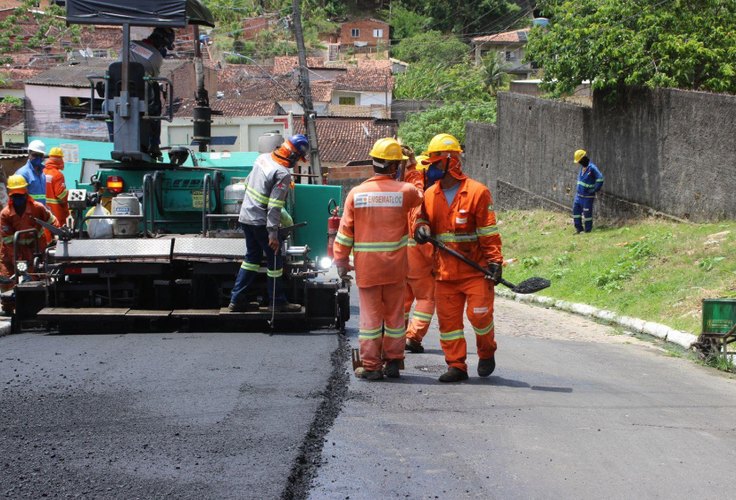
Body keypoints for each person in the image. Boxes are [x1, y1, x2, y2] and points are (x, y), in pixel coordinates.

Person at [413, 133, 503, 383]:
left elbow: (488, 232)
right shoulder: (430, 194)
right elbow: (421, 219)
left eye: (435, 162)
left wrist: (495, 262)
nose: (431, 167)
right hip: (444, 273)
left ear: (451, 161)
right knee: (449, 324)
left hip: (475, 271)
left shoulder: (477, 192)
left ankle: (486, 352)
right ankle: (456, 365)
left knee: (480, 316)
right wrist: (420, 229)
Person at [333, 137, 423, 381]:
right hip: (395, 269)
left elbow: (344, 234)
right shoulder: (406, 192)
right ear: (395, 166)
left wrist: (341, 264)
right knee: (394, 317)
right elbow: (421, 197)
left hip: (368, 269)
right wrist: (411, 165)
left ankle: (371, 366)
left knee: (371, 320)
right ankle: (393, 361)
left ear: (373, 162)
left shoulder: (356, 193)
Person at [228, 134, 310, 313]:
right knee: (275, 260)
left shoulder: (262, 158)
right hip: (260, 222)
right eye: (298, 160)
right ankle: (277, 301)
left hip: (246, 217)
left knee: (252, 258)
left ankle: (237, 299)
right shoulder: (282, 173)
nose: (296, 165)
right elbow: (274, 206)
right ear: (293, 156)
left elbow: (248, 183)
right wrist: (273, 234)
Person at [107, 27, 175, 157]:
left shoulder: (130, 44)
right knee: (155, 107)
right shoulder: (156, 57)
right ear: (161, 43)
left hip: (116, 94)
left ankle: (113, 140)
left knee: (106, 107)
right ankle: (154, 144)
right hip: (139, 95)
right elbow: (151, 79)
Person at [0, 175, 60, 293]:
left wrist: (58, 236)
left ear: (26, 194)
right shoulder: (5, 214)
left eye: (21, 196)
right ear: (11, 195)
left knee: (39, 277)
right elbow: (8, 241)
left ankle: (41, 303)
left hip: (35, 248)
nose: (18, 199)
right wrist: (18, 260)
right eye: (15, 196)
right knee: (7, 278)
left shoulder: (37, 208)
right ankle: (9, 307)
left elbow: (52, 221)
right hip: (12, 251)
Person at [404, 154, 436, 354]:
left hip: (398, 256)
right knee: (426, 297)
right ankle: (413, 337)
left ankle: (395, 336)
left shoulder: (399, 188)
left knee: (403, 300)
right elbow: (421, 233)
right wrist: (435, 261)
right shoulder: (419, 194)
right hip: (417, 256)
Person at [572, 149, 604, 234]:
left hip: (587, 197)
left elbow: (600, 178)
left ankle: (588, 230)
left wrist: (594, 189)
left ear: (583, 158)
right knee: (576, 213)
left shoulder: (592, 168)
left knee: (587, 214)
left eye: (579, 161)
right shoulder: (583, 168)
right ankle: (579, 230)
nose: (579, 163)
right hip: (578, 196)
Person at [43, 147, 70, 240]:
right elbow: (61, 194)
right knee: (59, 234)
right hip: (57, 210)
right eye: (61, 158)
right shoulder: (58, 175)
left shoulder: (42, 172)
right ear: (58, 159)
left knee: (46, 232)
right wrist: (69, 196)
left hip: (45, 208)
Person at [16, 140, 47, 206]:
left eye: (40, 155)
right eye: (35, 155)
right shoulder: (22, 174)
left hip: (41, 212)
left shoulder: (42, 174)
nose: (38, 158)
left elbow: (42, 197)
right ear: (29, 154)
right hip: (29, 214)